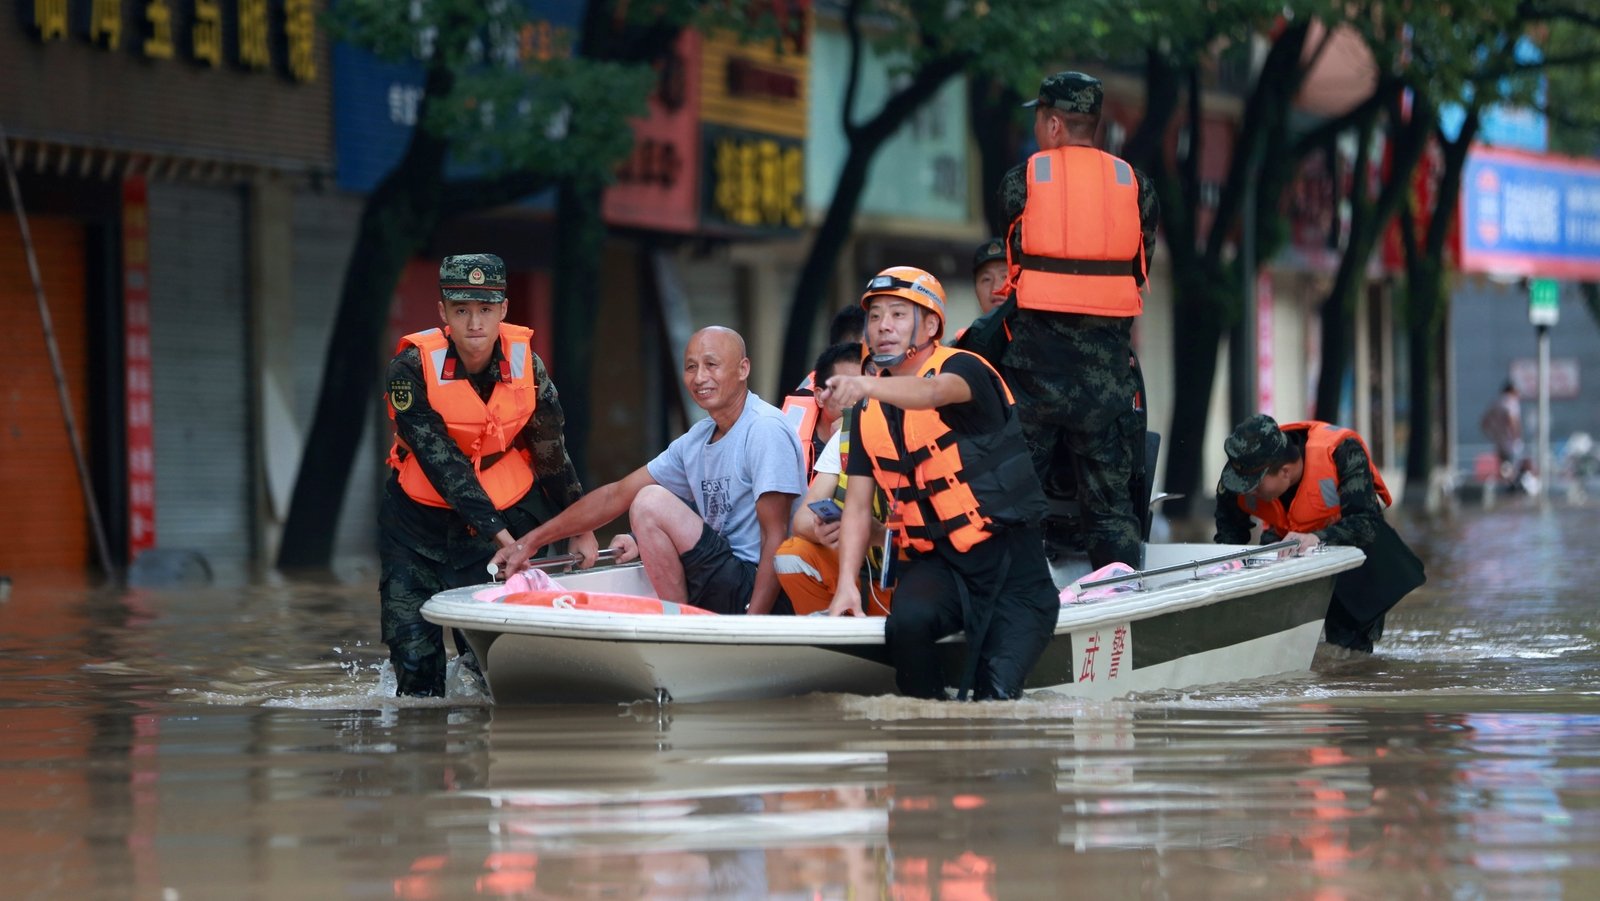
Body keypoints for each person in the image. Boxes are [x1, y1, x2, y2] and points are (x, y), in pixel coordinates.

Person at [819, 266, 1058, 700]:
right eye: (875, 317)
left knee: (996, 695)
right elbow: (856, 507)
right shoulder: (867, 412)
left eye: (898, 314)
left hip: (1009, 566)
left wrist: (862, 384)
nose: (883, 327)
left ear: (930, 326)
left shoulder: (965, 369)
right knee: (905, 626)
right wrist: (847, 586)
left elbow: (929, 394)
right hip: (936, 566)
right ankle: (926, 744)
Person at [380, 253, 598, 697]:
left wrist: (582, 526)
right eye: (461, 311)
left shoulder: (528, 367)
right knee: (415, 667)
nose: (473, 324)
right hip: (417, 527)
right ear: (443, 313)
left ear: (503, 310)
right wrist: (507, 541)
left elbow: (551, 454)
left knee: (489, 666)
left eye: (484, 310)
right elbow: (444, 464)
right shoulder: (410, 370)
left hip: (501, 515)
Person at [492, 326, 806, 615]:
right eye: (691, 367)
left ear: (743, 369)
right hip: (722, 576)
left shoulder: (764, 429)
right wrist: (530, 541)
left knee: (649, 501)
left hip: (761, 590)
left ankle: (680, 628)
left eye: (712, 365)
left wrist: (753, 626)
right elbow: (615, 495)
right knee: (642, 505)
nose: (699, 377)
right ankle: (682, 632)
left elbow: (775, 537)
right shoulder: (697, 439)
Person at [999, 70, 1159, 571]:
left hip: (1034, 379)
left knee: (1014, 501)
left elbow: (1012, 251)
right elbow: (1140, 263)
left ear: (1051, 126)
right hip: (1106, 382)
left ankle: (1009, 600)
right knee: (1111, 510)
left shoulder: (1022, 180)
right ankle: (1121, 600)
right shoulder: (1136, 186)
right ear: (1095, 124)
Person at [1213, 414, 1426, 653]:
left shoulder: (1342, 452)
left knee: (1349, 653)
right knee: (1278, 641)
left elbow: (1367, 524)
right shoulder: (1240, 470)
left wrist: (1317, 538)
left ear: (1284, 471)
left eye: (1254, 486)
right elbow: (1229, 541)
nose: (1246, 491)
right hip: (1283, 546)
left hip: (1349, 548)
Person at [775, 342, 898, 616]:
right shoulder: (844, 436)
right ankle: (834, 632)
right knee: (791, 554)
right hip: (860, 572)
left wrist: (880, 535)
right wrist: (821, 530)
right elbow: (803, 518)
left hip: (912, 572)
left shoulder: (922, 428)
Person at [1479, 379, 1528, 490]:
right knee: (1512, 468)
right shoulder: (1510, 402)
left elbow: (1484, 422)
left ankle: (1505, 487)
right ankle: (1511, 489)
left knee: (1504, 468)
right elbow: (1511, 419)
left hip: (1499, 441)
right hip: (1510, 442)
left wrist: (1492, 434)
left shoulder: (1497, 402)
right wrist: (1516, 435)